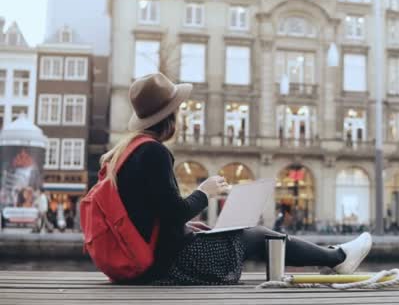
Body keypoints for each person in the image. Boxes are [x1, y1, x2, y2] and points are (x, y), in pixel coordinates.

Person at [101, 73, 372, 285]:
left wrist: (189, 227)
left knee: (242, 233)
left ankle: (333, 258)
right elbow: (173, 214)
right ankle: (338, 258)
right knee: (257, 235)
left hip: (145, 261)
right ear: (170, 115)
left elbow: (153, 215)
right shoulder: (154, 152)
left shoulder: (127, 152)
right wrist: (204, 192)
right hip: (168, 264)